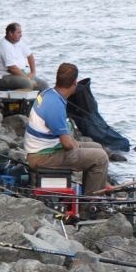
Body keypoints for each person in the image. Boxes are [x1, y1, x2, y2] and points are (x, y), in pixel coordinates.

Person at [24, 62, 110, 197]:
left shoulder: (49, 93)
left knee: (97, 146)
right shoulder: (55, 105)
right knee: (100, 157)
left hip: (43, 149)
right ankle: (91, 203)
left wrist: (76, 145)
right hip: (42, 157)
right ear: (74, 83)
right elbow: (67, 144)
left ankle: (97, 189)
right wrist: (76, 145)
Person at [0, 22, 48, 90]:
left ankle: (38, 100)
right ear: (11, 33)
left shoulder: (19, 42)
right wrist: (27, 78)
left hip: (21, 73)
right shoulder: (3, 45)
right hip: (5, 76)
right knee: (28, 83)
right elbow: (12, 68)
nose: (21, 35)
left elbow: (30, 56)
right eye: (18, 32)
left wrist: (33, 72)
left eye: (21, 32)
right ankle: (20, 100)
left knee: (44, 85)